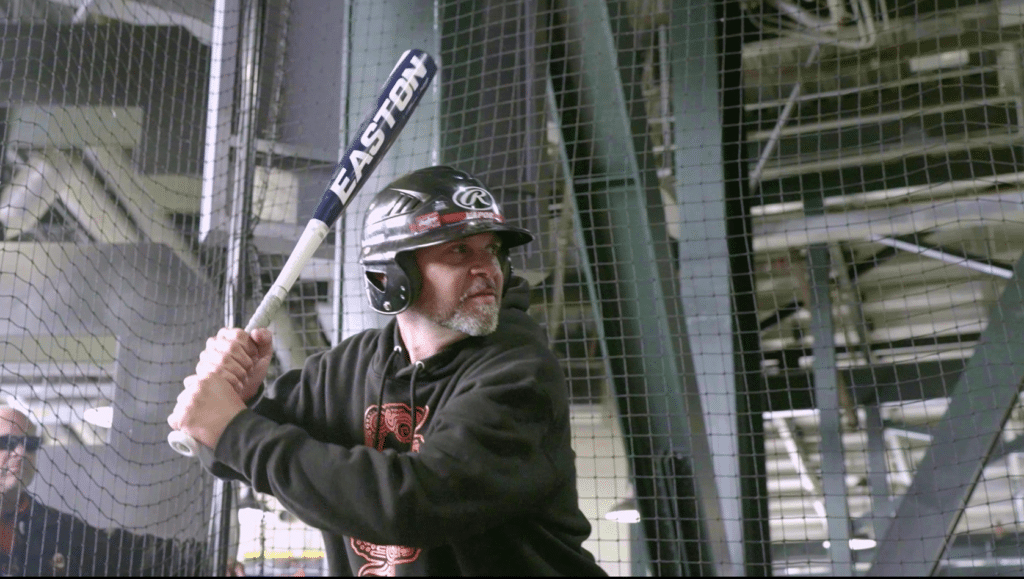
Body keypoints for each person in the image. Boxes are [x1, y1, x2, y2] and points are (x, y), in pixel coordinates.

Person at [168, 165, 608, 576]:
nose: (487, 268)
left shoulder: (518, 375)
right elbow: (232, 455)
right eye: (459, 251)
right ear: (394, 273)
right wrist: (240, 402)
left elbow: (416, 504)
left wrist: (235, 430)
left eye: (491, 250)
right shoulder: (344, 371)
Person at [0, 406, 203, 575]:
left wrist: (209, 560)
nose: (21, 453)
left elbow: (130, 555)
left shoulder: (55, 529)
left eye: (30, 444)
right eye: (7, 443)